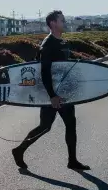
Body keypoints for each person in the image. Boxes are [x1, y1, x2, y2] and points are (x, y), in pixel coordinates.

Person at [12, 10, 90, 171]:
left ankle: (72, 161)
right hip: (52, 94)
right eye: (62, 20)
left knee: (70, 124)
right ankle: (19, 150)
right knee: (45, 126)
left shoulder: (62, 42)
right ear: (53, 23)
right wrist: (52, 95)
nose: (65, 22)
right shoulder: (47, 45)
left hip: (64, 93)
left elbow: (63, 65)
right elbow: (44, 73)